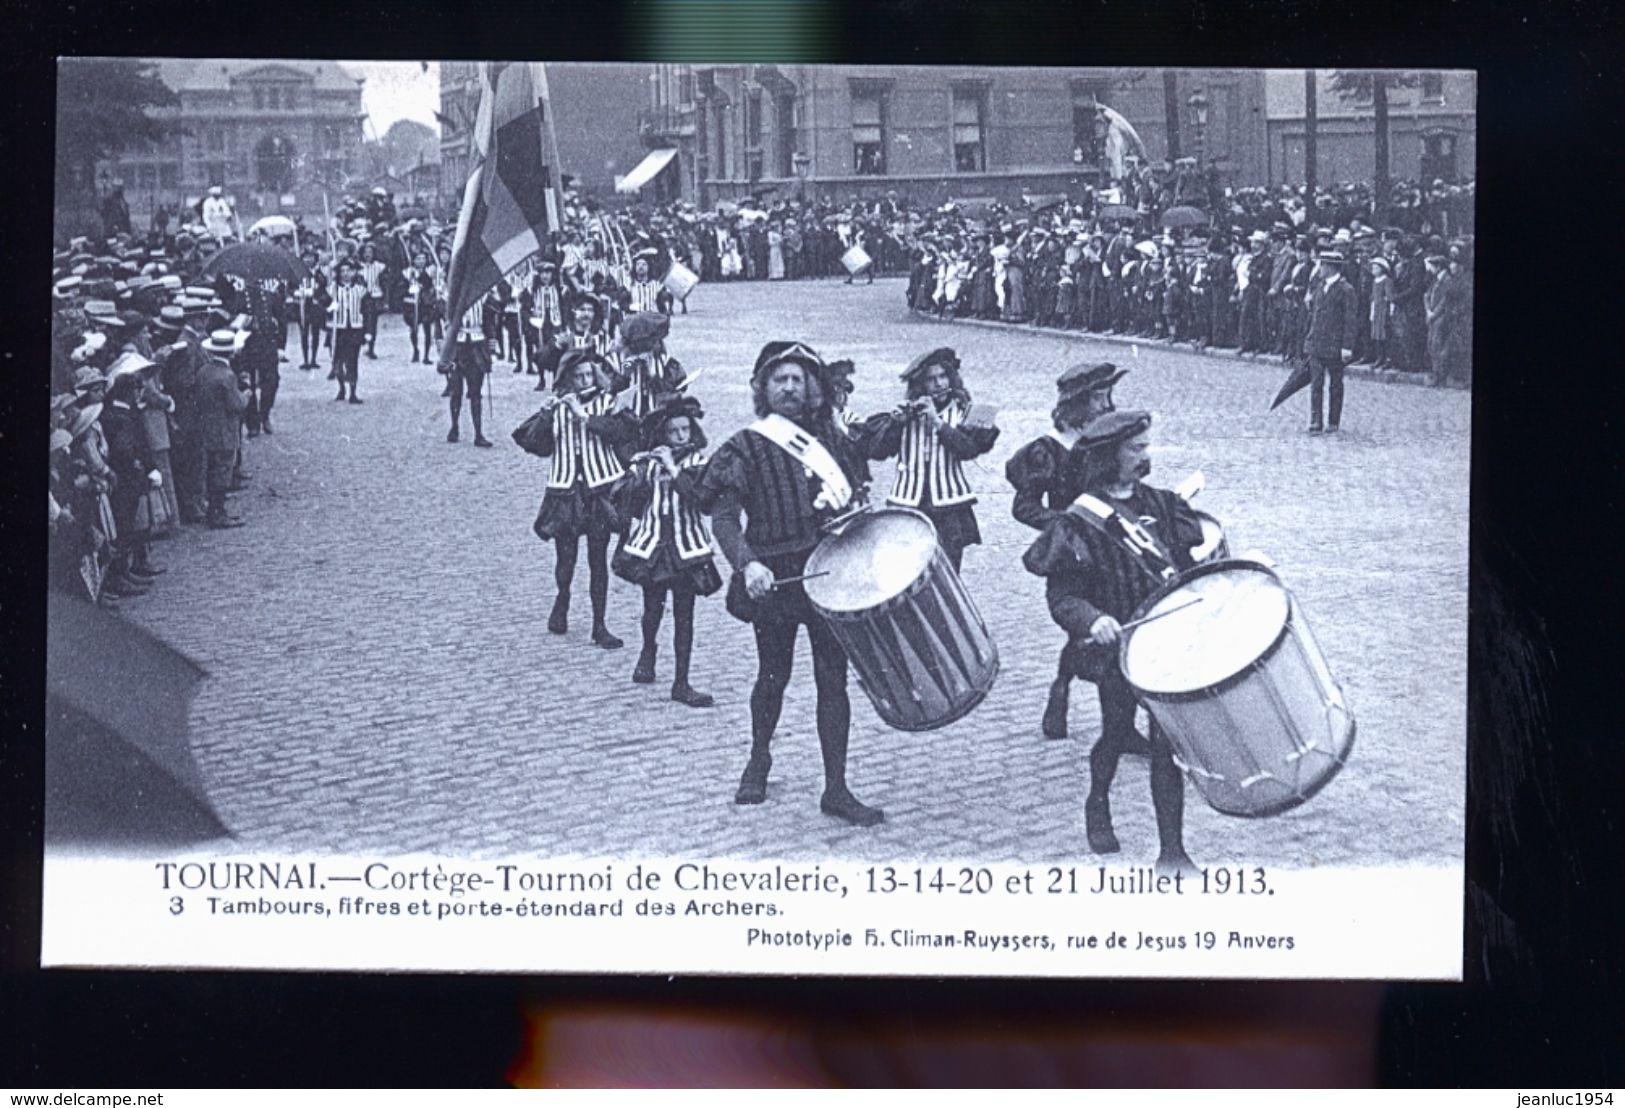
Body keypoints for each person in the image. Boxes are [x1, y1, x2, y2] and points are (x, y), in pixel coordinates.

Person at [696, 341, 882, 827]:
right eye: (780, 379)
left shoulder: (835, 442)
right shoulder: (746, 444)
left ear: (813, 388)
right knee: (772, 676)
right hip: (774, 579)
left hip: (829, 573)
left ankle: (837, 787)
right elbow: (723, 516)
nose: (790, 387)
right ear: (763, 388)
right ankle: (759, 758)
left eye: (799, 379)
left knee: (832, 679)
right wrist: (746, 563)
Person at [1022, 410, 1201, 872]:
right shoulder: (1079, 521)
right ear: (1110, 456)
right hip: (1116, 650)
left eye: (1146, 446)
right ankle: (1098, 799)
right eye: (1136, 449)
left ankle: (1173, 851)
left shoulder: (1163, 505)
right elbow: (1062, 597)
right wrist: (1092, 618)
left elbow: (1188, 566)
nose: (1147, 455)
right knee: (1117, 733)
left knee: (1167, 745)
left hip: (1164, 644)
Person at [1005, 362, 1128, 739]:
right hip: (1070, 555)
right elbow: (1023, 506)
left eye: (1108, 396)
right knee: (1084, 630)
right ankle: (1061, 689)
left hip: (1109, 547)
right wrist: (1064, 521)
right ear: (1077, 404)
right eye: (1098, 398)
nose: (1106, 405)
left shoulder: (1106, 438)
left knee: (1113, 627)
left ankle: (1120, 727)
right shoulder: (1048, 450)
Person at [612, 393, 722, 708]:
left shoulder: (699, 462)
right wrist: (642, 471)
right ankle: (648, 651)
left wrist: (674, 470)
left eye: (684, 431)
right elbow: (631, 507)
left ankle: (681, 682)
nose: (679, 437)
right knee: (652, 608)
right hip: (652, 546)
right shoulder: (649, 461)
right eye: (673, 432)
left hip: (686, 548)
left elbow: (701, 501)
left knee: (685, 615)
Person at [529, 349, 636, 648]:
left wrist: (585, 416)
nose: (584, 381)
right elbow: (537, 445)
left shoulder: (606, 403)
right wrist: (544, 415)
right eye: (578, 377)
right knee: (566, 558)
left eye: (589, 375)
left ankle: (599, 625)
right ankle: (562, 599)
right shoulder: (559, 407)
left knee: (597, 559)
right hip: (565, 491)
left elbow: (620, 433)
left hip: (599, 489)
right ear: (568, 380)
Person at [862, 346, 999, 571]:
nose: (939, 384)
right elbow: (877, 452)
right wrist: (896, 424)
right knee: (907, 571)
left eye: (943, 377)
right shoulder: (907, 415)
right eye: (931, 379)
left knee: (948, 571)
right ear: (920, 385)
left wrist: (938, 422)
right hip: (908, 504)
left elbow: (968, 450)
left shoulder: (964, 412)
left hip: (949, 507)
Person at [195, 329, 249, 528]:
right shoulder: (227, 376)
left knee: (210, 470)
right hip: (225, 429)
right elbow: (236, 404)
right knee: (223, 472)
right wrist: (247, 395)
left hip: (206, 427)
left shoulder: (203, 371)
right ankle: (218, 512)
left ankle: (213, 511)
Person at [1303, 249, 1361, 433]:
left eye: (1323, 265)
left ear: (1331, 267)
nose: (1320, 268)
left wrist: (1347, 346)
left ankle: (1333, 421)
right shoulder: (1320, 287)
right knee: (1316, 383)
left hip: (1335, 346)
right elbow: (1315, 316)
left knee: (1336, 384)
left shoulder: (1346, 290)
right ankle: (1316, 420)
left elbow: (1351, 320)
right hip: (1317, 343)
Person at [443, 298, 495, 448]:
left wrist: (490, 345)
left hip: (476, 345)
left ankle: (478, 433)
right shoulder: (452, 296)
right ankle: (454, 427)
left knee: (475, 392)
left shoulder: (482, 297)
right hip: (457, 346)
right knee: (456, 390)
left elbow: (489, 322)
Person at [615, 311, 685, 418]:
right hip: (628, 416)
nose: (656, 343)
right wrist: (627, 372)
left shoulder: (663, 360)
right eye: (651, 341)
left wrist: (654, 377)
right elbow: (613, 387)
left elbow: (678, 384)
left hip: (657, 414)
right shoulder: (620, 360)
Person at [328, 256, 367, 403]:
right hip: (338, 329)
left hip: (354, 329)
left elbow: (367, 309)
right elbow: (321, 303)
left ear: (353, 273)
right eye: (342, 271)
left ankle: (353, 391)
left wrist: (367, 330)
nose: (345, 273)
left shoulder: (360, 290)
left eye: (348, 271)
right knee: (337, 360)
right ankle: (341, 388)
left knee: (353, 360)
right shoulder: (332, 289)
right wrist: (330, 308)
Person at [357, 241, 387, 359]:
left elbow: (384, 283)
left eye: (370, 252)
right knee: (362, 321)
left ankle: (371, 348)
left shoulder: (379, 266)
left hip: (375, 296)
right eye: (365, 252)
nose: (368, 254)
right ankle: (363, 340)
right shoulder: (358, 266)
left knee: (372, 323)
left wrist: (384, 300)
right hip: (362, 297)